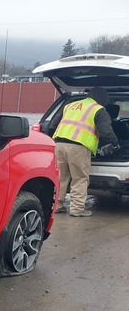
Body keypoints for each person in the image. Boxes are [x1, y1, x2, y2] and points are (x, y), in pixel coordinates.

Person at [49, 87, 120, 217]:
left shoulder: (70, 105)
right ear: (101, 98)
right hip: (78, 147)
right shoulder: (98, 109)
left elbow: (53, 124)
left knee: (61, 177)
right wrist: (115, 144)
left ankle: (57, 206)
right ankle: (77, 208)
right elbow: (106, 132)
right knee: (80, 178)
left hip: (59, 144)